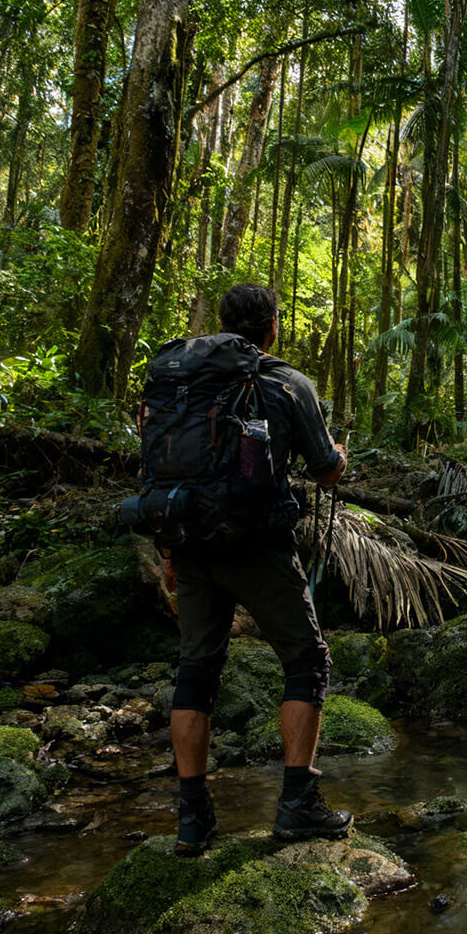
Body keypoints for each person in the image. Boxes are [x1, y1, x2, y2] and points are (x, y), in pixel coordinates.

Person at [160, 282, 352, 856]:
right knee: (307, 661)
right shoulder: (287, 383)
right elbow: (324, 470)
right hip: (259, 546)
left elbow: (161, 468)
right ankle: (297, 804)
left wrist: (168, 551)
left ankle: (192, 818)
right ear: (272, 326)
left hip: (189, 542)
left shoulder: (181, 380)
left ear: (223, 323)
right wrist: (340, 456)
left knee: (196, 672)